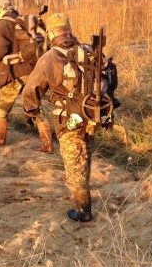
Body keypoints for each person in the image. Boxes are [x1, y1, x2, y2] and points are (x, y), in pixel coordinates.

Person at [22, 13, 97, 222]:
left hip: (68, 119)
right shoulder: (88, 50)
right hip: (92, 116)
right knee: (84, 156)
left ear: (51, 33)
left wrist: (32, 113)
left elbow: (30, 90)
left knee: (74, 166)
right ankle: (85, 196)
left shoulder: (49, 58)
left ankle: (84, 212)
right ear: (69, 29)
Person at [0, 0, 53, 154]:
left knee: (1, 106)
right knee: (33, 105)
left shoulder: (1, 24)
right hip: (33, 70)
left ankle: (0, 138)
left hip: (13, 73)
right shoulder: (23, 21)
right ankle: (48, 144)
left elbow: (1, 50)